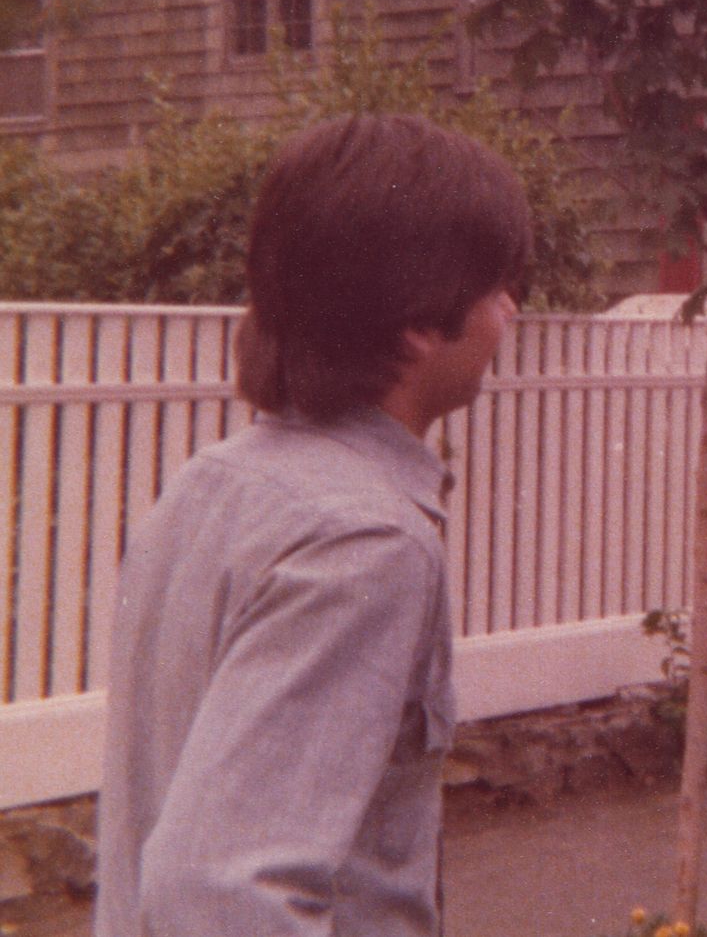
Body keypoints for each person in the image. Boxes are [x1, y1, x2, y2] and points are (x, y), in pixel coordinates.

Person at [95, 114, 533, 937]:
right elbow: (219, 896)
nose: (510, 311)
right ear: (420, 321)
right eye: (496, 287)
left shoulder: (210, 485)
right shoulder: (365, 541)